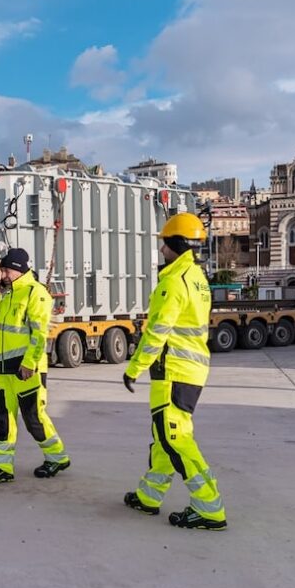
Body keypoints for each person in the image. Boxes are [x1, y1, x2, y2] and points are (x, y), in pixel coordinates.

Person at [122, 211, 226, 530]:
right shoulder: (197, 277)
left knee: (175, 438)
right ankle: (149, 496)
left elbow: (157, 331)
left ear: (178, 244)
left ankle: (209, 507)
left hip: (174, 370)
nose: (162, 249)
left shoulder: (174, 281)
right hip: (189, 368)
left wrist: (134, 368)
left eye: (165, 244)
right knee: (163, 438)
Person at [0, 247, 70, 484]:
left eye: (6, 271)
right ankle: (2, 467)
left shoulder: (36, 293)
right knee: (4, 419)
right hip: (4, 369)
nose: (3, 276)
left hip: (26, 368)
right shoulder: (7, 293)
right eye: (2, 271)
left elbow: (40, 334)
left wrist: (29, 363)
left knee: (33, 418)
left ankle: (57, 457)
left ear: (18, 270)